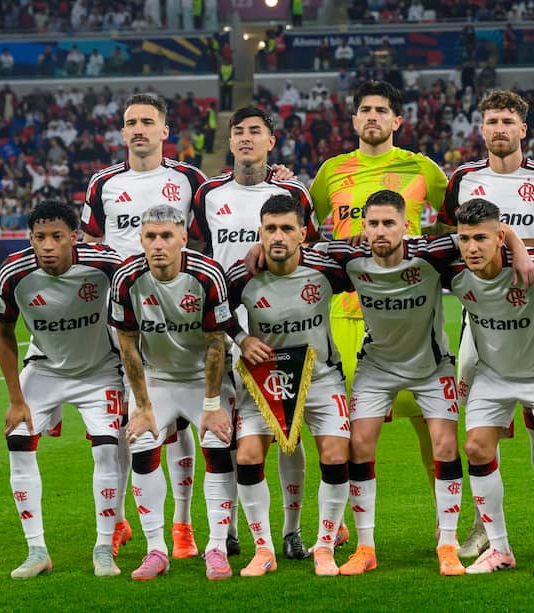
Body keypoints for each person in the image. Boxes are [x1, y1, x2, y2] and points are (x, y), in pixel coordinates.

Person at [315, 190, 534, 577]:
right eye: (373, 223)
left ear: (406, 226)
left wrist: (516, 243)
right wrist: (256, 254)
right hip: (378, 366)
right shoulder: (349, 258)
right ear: (363, 227)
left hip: (432, 368)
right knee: (359, 446)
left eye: (389, 223)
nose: (381, 231)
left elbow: (489, 230)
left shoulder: (430, 253)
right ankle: (366, 547)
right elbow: (297, 254)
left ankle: (446, 546)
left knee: (446, 447)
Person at [440, 89, 534, 561]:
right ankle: (483, 529)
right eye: (491, 121)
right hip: (477, 326)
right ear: (481, 129)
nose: (499, 129)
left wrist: (519, 246)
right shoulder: (462, 179)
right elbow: (449, 240)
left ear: (523, 128)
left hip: (533, 315)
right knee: (478, 434)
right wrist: (506, 239)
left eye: (507, 121)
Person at [191, 106, 321, 559]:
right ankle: (223, 530)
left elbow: (313, 251)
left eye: (256, 132)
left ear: (271, 141)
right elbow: (195, 253)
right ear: (229, 142)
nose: (246, 138)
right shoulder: (207, 194)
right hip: (223, 331)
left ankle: (290, 529)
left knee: (289, 431)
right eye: (238, 132)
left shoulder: (292, 192)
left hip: (276, 329)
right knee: (220, 433)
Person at [83, 93, 207, 561]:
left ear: (163, 131)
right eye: (130, 122)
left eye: (147, 122)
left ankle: (182, 525)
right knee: (120, 422)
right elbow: (91, 243)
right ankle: (115, 521)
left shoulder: (189, 180)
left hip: (177, 315)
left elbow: (211, 230)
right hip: (121, 316)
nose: (138, 129)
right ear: (122, 132)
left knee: (176, 421)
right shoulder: (103, 184)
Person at [309, 80, 449, 495]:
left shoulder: (423, 169)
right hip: (346, 315)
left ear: (397, 120)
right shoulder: (331, 171)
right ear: (354, 119)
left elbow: (453, 224)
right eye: (366, 110)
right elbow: (305, 227)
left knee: (436, 436)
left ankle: (463, 527)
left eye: (382, 110)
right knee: (347, 437)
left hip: (413, 319)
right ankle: (346, 529)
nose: (373, 116)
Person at [0, 201, 124, 579]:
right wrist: (16, 400)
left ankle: (103, 548)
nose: (47, 245)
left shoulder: (103, 263)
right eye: (39, 238)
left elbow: (137, 287)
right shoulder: (14, 272)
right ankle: (36, 550)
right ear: (29, 238)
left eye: (56, 237)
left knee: (106, 451)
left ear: (75, 237)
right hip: (45, 369)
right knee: (17, 438)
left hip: (99, 370)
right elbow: (3, 333)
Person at [110, 204, 238, 581]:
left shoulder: (206, 274)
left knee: (217, 446)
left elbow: (217, 342)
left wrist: (212, 406)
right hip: (157, 379)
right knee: (140, 443)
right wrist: (144, 407)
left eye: (167, 236)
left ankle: (216, 547)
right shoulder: (127, 279)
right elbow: (127, 345)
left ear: (183, 238)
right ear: (141, 240)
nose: (158, 244)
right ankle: (156, 549)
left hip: (203, 378)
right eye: (151, 237)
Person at [225, 195, 352, 576]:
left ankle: (325, 546)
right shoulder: (241, 276)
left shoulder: (326, 267)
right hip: (265, 379)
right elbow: (213, 311)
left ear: (302, 234)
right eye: (269, 229)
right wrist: (240, 337)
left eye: (286, 229)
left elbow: (367, 262)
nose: (277, 236)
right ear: (259, 232)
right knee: (247, 456)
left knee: (334, 455)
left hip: (321, 377)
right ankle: (263, 549)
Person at [449, 198, 534, 577]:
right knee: (475, 447)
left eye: (481, 239)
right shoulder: (451, 269)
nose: (472, 248)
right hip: (493, 374)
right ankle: (500, 548)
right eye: (465, 239)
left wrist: (520, 247)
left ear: (499, 236)